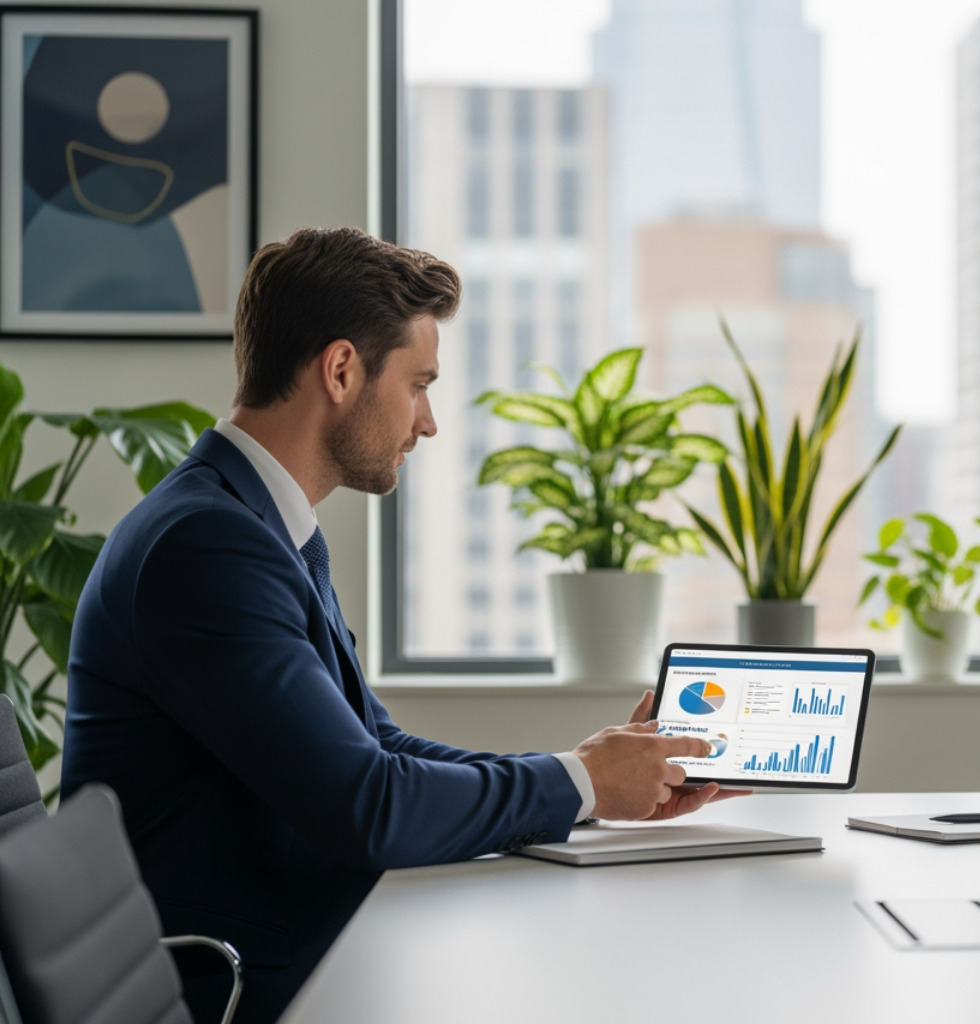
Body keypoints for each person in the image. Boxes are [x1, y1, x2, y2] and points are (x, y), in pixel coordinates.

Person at [62, 227, 734, 1024]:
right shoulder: (208, 545)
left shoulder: (254, 522)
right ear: (342, 369)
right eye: (419, 384)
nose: (428, 422)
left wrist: (587, 775)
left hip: (298, 944)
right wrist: (581, 785)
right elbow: (369, 806)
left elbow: (378, 748)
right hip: (245, 984)